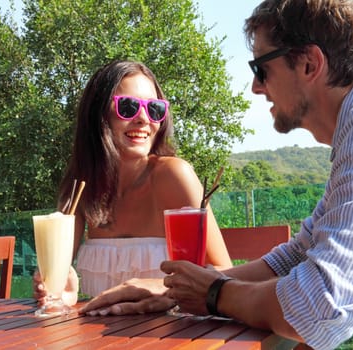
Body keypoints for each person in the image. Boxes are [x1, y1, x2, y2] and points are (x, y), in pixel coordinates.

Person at [79, 1, 353, 349]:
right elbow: (300, 254)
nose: (256, 86)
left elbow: (320, 309)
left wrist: (214, 295)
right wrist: (176, 289)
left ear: (309, 64)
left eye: (261, 68)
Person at [34, 60, 232, 306]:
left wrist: (161, 288)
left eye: (154, 109)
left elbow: (223, 272)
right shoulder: (82, 187)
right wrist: (62, 291)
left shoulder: (173, 175)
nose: (143, 118)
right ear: (98, 115)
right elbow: (58, 270)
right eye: (127, 107)